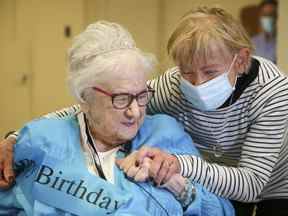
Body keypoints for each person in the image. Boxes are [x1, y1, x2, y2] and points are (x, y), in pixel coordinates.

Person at [1, 5, 288, 216]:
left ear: (240, 61)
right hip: (213, 171)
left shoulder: (272, 93)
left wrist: (177, 173)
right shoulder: (171, 86)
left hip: (269, 184)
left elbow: (248, 187)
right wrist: (15, 138)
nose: (135, 111)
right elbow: (80, 109)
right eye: (187, 72)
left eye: (210, 72)